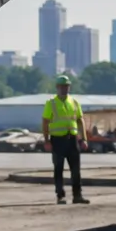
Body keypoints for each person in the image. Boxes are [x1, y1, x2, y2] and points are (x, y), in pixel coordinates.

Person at [42, 75, 89, 204]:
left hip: (72, 139)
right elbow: (45, 122)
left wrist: (84, 139)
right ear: (57, 88)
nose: (64, 89)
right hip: (57, 140)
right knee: (58, 169)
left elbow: (80, 121)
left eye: (66, 86)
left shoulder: (74, 102)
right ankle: (60, 195)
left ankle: (77, 195)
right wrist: (46, 140)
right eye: (62, 86)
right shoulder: (51, 103)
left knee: (76, 170)